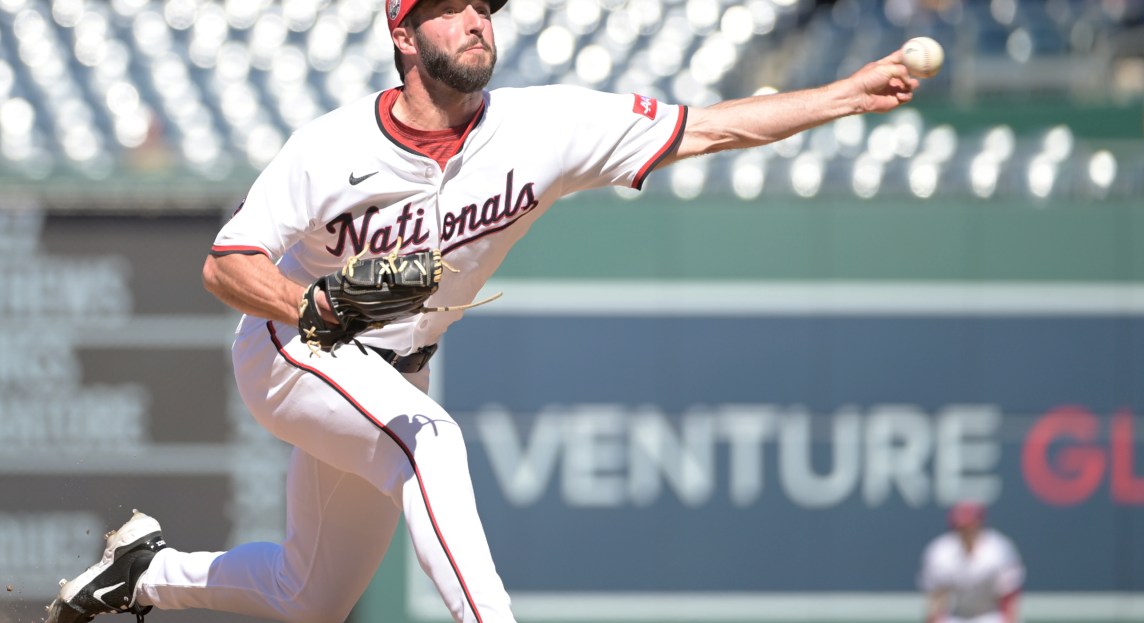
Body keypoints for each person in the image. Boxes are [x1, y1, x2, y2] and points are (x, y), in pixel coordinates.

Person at [44, 0, 920, 621]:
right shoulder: (330, 147)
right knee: (433, 441)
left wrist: (850, 93)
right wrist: (307, 301)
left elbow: (710, 127)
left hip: (396, 369)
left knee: (312, 599)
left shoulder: (544, 127)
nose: (477, 20)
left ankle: (147, 573)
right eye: (453, 6)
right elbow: (225, 263)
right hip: (293, 349)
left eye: (486, 8)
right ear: (403, 30)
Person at [918, 502, 1025, 623]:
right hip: (957, 615)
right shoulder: (941, 551)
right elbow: (936, 599)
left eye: (970, 526)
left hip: (990, 614)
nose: (966, 531)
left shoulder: (999, 549)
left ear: (979, 525)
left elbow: (1009, 598)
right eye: (961, 527)